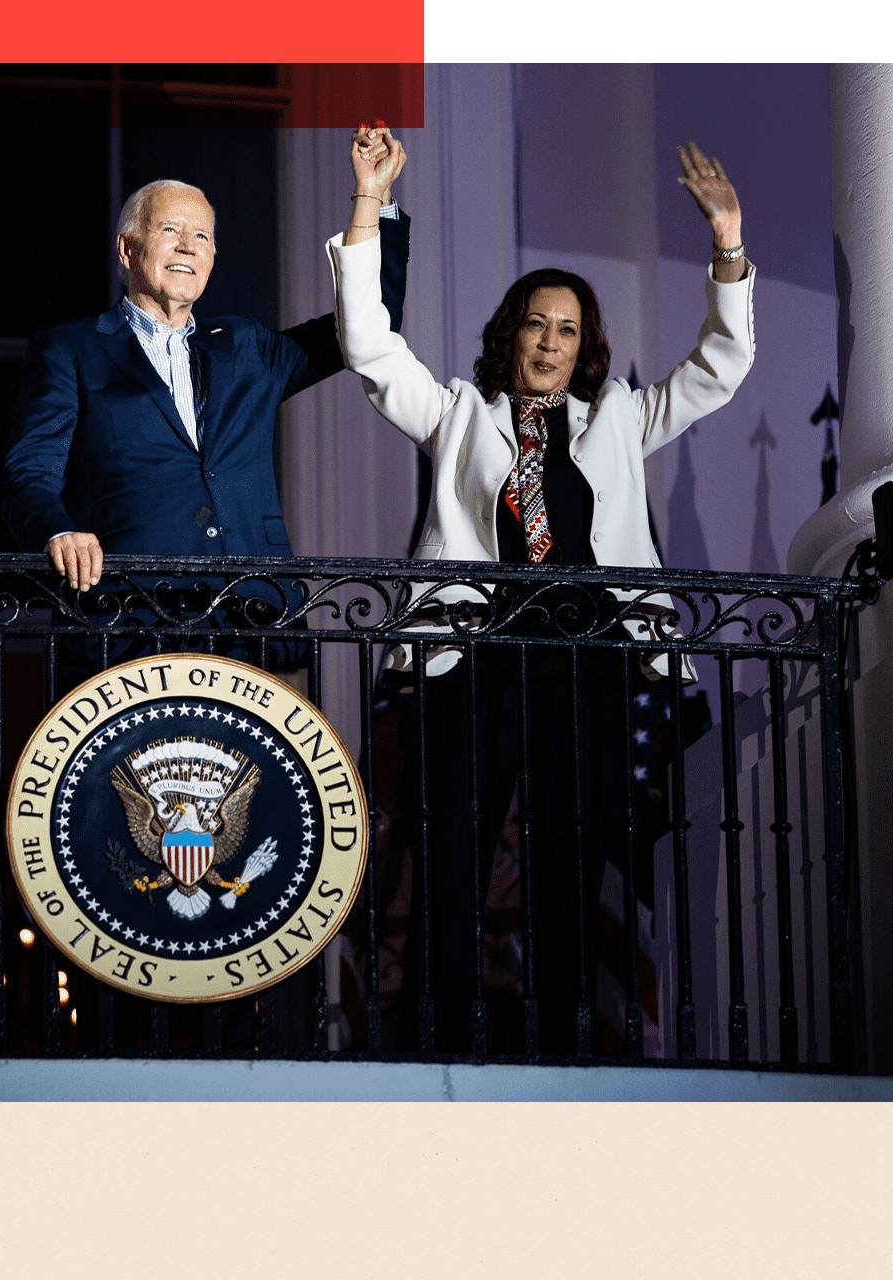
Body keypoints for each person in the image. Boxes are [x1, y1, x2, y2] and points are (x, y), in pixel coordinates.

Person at [329, 138, 754, 1055]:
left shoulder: (623, 420)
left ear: (584, 346)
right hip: (472, 659)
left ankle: (567, 1045)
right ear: (509, 335)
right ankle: (432, 1041)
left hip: (589, 661)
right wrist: (368, 206)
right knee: (452, 858)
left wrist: (727, 244)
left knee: (570, 862)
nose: (550, 342)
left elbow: (721, 364)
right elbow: (366, 345)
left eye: (566, 329)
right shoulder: (455, 414)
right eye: (535, 325)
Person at [1, 127, 412, 601]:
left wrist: (373, 197)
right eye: (169, 230)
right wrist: (58, 534)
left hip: (255, 611)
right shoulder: (71, 350)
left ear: (213, 257)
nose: (188, 246)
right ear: (128, 248)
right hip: (130, 611)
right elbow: (29, 475)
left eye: (201, 236)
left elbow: (370, 323)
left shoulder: (244, 345)